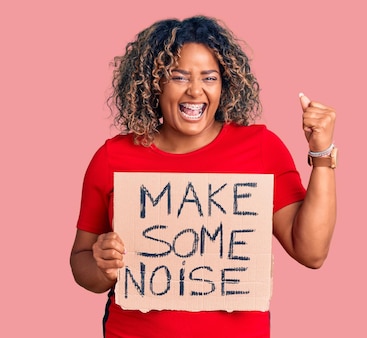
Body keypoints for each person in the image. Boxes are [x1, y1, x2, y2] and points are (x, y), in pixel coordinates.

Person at [69, 15, 337, 338]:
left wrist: (322, 156)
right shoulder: (112, 158)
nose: (195, 91)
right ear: (155, 82)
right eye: (179, 76)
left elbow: (311, 251)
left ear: (225, 85)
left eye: (209, 78)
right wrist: (101, 266)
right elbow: (80, 261)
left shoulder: (261, 148)